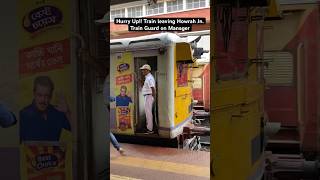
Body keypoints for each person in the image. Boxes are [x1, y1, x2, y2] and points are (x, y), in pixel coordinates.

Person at [20, 76, 71, 142]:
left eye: (46, 96)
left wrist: (67, 112)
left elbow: (77, 132)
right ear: (34, 94)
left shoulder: (57, 112)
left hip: (55, 152)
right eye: (39, 95)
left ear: (51, 96)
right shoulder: (23, 115)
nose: (43, 100)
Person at [103, 70, 125, 155]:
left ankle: (118, 147)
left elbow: (106, 96)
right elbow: (107, 97)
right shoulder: (109, 79)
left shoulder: (108, 80)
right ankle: (118, 147)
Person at [140, 64, 156, 134]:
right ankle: (149, 128)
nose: (142, 71)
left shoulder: (149, 78)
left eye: (143, 70)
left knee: (148, 113)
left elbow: (153, 88)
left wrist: (153, 97)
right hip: (148, 96)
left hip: (149, 96)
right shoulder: (148, 77)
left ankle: (150, 130)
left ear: (147, 70)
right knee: (148, 113)